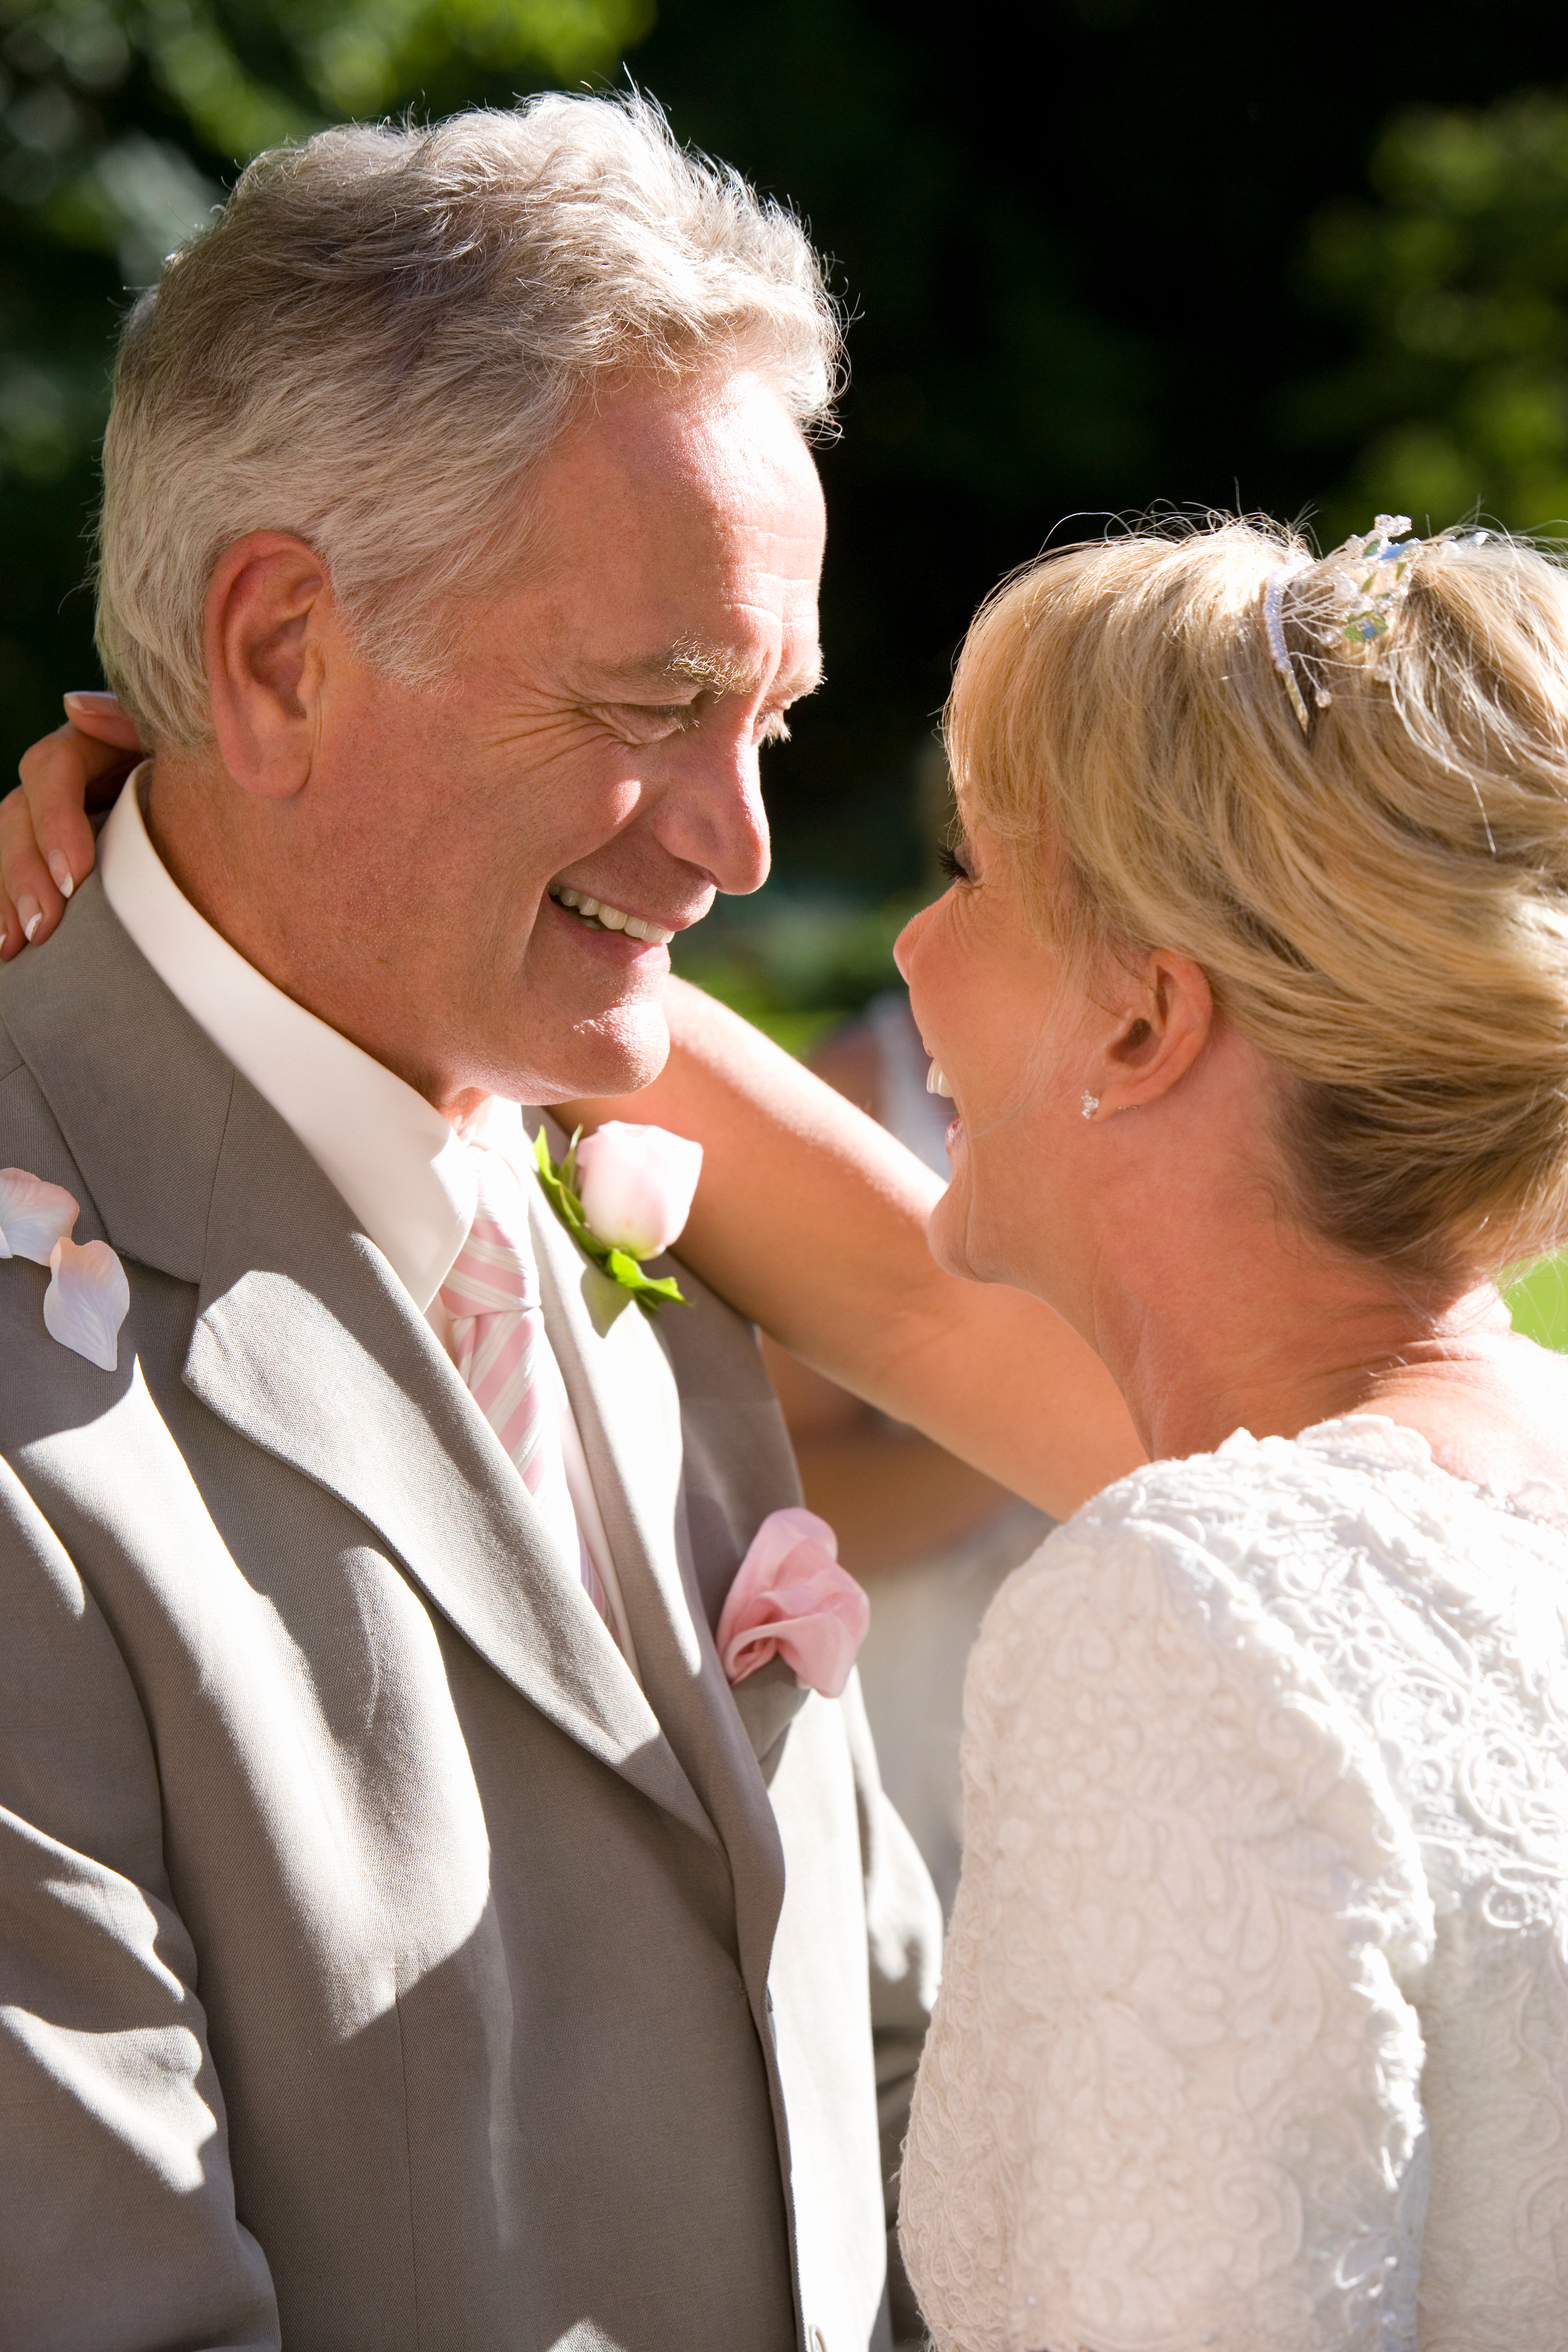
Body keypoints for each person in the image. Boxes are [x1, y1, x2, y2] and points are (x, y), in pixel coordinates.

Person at [0, 95, 1143, 2352]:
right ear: (283, 654)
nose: (736, 847)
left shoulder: (635, 1193)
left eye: (774, 717)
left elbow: (872, 2057)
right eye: (655, 704)